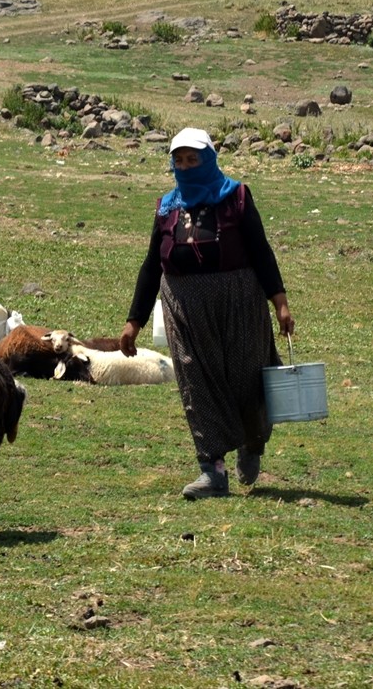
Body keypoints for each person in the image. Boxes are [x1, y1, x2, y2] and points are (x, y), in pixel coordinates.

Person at [119, 127, 295, 500]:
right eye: (178, 160)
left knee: (245, 375)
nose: (185, 166)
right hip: (186, 307)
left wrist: (279, 303)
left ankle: (252, 441)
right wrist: (134, 322)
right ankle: (211, 470)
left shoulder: (236, 198)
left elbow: (261, 252)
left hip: (239, 301)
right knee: (195, 383)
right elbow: (152, 266)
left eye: (192, 158)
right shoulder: (167, 207)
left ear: (209, 159)